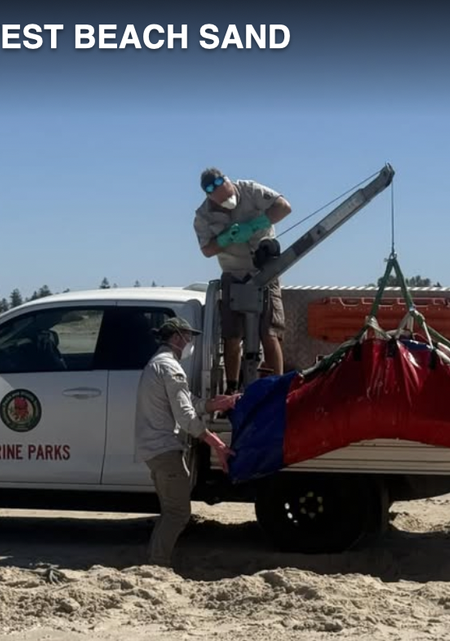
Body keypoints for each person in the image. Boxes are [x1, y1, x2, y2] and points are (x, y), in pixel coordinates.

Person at [134, 316, 239, 567]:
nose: (190, 342)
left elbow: (188, 402)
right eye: (188, 336)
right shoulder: (170, 367)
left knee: (171, 511)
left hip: (155, 449)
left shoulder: (158, 364)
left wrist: (215, 403)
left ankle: (156, 561)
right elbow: (186, 417)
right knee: (178, 513)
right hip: (165, 449)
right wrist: (218, 444)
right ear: (176, 337)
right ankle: (157, 565)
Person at [193, 168, 292, 393]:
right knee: (232, 335)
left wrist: (255, 225)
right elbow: (207, 249)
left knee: (270, 332)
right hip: (233, 273)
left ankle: (278, 386)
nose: (229, 202)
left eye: (230, 196)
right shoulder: (203, 215)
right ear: (209, 197)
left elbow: (284, 207)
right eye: (223, 200)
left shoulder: (249, 190)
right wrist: (225, 239)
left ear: (229, 182)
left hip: (265, 271)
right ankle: (232, 388)